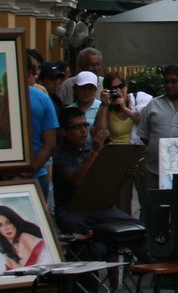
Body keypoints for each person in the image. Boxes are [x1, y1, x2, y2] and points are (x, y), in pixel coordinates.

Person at [50, 105, 136, 236]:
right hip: (72, 210)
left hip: (101, 207)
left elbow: (107, 178)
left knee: (136, 227)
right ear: (63, 131)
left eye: (85, 125)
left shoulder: (91, 146)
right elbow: (75, 181)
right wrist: (95, 153)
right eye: (77, 127)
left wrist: (124, 172)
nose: (84, 131)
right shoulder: (60, 154)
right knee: (76, 228)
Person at [137, 64, 178, 204]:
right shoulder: (153, 105)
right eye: (166, 81)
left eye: (174, 81)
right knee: (156, 213)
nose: (169, 85)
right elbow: (145, 136)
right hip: (156, 171)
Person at [23, 50, 58, 209]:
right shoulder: (42, 97)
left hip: (0, 176)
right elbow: (50, 143)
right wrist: (30, 171)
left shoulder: (41, 97)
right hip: (36, 173)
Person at [0, 205, 50, 270]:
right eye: (0, 225)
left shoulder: (25, 237)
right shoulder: (8, 254)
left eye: (8, 222)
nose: (6, 228)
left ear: (14, 221)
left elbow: (49, 255)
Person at [99, 71, 137, 144]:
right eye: (113, 88)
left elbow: (143, 122)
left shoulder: (137, 101)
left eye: (120, 86)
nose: (118, 91)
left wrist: (124, 108)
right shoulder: (107, 107)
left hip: (137, 149)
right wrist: (104, 106)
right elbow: (100, 134)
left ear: (126, 85)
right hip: (117, 149)